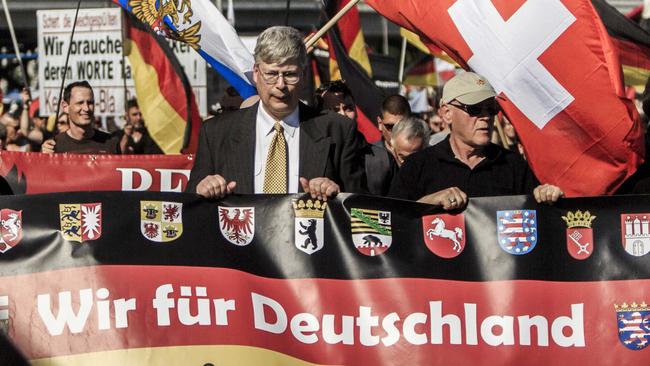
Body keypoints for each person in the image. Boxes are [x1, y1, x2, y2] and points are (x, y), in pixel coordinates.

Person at [187, 26, 366, 200]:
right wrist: (201, 190)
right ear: (256, 73)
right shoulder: (216, 133)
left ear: (303, 76)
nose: (280, 85)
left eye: (289, 74)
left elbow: (364, 211)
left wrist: (339, 195)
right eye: (271, 74)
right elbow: (187, 209)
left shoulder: (338, 131)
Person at [389, 72, 563, 210]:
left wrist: (545, 198)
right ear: (446, 113)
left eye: (492, 108)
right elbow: (391, 224)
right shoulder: (417, 166)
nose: (486, 117)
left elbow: (538, 222)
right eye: (475, 109)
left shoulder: (513, 165)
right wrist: (428, 202)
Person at [43, 81, 121, 154]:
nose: (86, 108)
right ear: (65, 106)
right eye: (80, 103)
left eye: (90, 103)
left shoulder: (111, 143)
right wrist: (44, 158)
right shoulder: (53, 147)